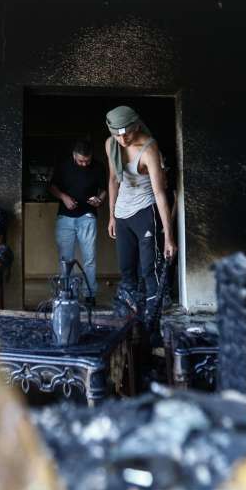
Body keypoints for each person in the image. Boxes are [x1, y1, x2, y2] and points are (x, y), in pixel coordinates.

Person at [104, 105, 176, 326]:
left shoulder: (148, 148)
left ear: (136, 126)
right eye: (117, 135)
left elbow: (159, 193)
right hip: (122, 213)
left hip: (145, 210)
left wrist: (168, 237)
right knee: (126, 268)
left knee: (148, 269)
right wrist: (112, 216)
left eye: (127, 134)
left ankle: (154, 321)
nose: (122, 139)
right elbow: (113, 180)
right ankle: (131, 320)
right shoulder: (111, 144)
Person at [48, 138, 106, 301]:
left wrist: (100, 200)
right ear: (74, 156)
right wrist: (64, 197)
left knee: (89, 258)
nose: (84, 164)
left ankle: (90, 294)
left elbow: (104, 189)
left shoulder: (98, 166)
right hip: (65, 217)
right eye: (81, 161)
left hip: (88, 217)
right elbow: (52, 187)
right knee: (65, 259)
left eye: (87, 161)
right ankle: (67, 293)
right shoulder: (63, 165)